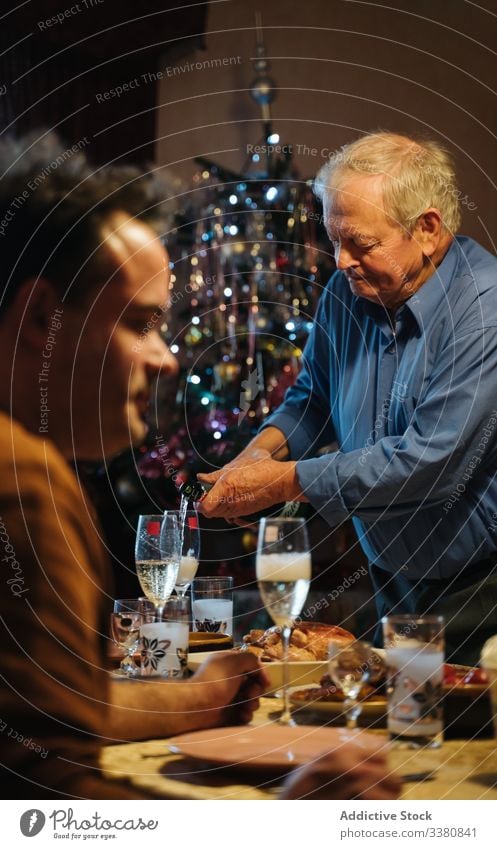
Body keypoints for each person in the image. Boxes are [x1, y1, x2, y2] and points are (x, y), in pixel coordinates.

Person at [0, 133, 398, 802]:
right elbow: (46, 800)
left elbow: (43, 708)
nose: (167, 359)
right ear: (42, 316)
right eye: (143, 323)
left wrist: (195, 697)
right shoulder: (23, 481)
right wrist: (286, 821)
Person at [199, 131, 497, 666]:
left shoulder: (484, 310)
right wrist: (258, 455)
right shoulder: (349, 290)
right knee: (395, 739)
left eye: (361, 242)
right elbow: (312, 399)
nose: (341, 260)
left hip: (480, 589)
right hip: (392, 577)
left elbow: (430, 461)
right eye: (334, 239)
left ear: (427, 229)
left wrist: (285, 481)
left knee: (454, 746)